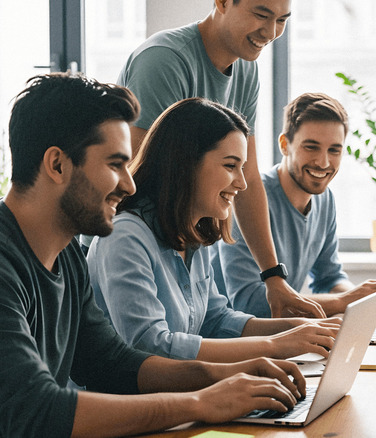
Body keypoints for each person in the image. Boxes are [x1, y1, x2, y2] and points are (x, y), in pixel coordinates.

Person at [0, 73, 308, 437]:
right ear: (57, 165)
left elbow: (113, 362)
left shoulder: (65, 256)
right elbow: (38, 409)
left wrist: (229, 375)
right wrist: (199, 403)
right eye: (115, 165)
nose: (129, 184)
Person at [88, 97, 340, 362]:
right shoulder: (125, 237)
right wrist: (274, 346)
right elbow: (151, 345)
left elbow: (216, 320)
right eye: (231, 166)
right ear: (186, 164)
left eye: (242, 168)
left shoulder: (193, 235)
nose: (242, 184)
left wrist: (301, 329)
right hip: (131, 401)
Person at [116, 0, 325, 318]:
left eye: (282, 20)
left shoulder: (246, 68)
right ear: (223, 2)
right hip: (135, 249)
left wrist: (273, 278)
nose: (270, 32)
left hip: (183, 244)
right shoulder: (164, 59)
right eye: (261, 14)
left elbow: (249, 177)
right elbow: (140, 175)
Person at [212, 92, 376, 317]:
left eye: (334, 150)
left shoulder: (325, 199)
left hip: (279, 335)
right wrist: (346, 300)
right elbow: (249, 303)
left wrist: (368, 302)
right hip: (233, 339)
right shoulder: (245, 199)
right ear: (285, 145)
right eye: (311, 147)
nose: (323, 162)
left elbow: (328, 278)